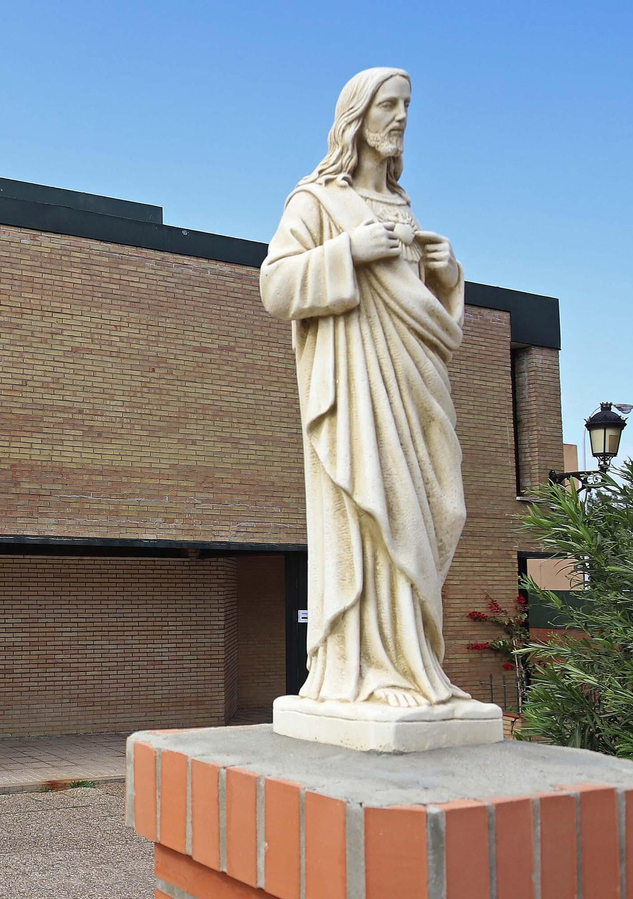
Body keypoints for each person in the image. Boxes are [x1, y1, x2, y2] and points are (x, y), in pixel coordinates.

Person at [259, 67, 470, 710]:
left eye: (408, 105)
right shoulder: (317, 200)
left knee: (442, 508)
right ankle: (375, 669)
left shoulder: (405, 207)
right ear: (358, 115)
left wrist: (447, 276)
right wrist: (348, 250)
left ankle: (417, 660)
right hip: (356, 393)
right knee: (375, 513)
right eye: (389, 104)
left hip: (413, 386)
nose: (402, 117)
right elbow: (275, 287)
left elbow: (424, 317)